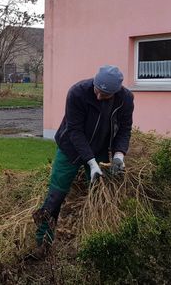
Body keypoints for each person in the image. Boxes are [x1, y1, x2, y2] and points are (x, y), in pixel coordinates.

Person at [32, 65, 134, 258]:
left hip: (101, 149)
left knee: (99, 196)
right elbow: (75, 131)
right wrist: (91, 163)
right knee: (56, 195)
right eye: (97, 90)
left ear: (115, 92)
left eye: (104, 95)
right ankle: (42, 243)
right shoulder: (78, 92)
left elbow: (124, 129)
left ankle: (94, 242)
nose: (98, 97)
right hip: (70, 148)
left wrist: (119, 155)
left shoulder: (125, 99)